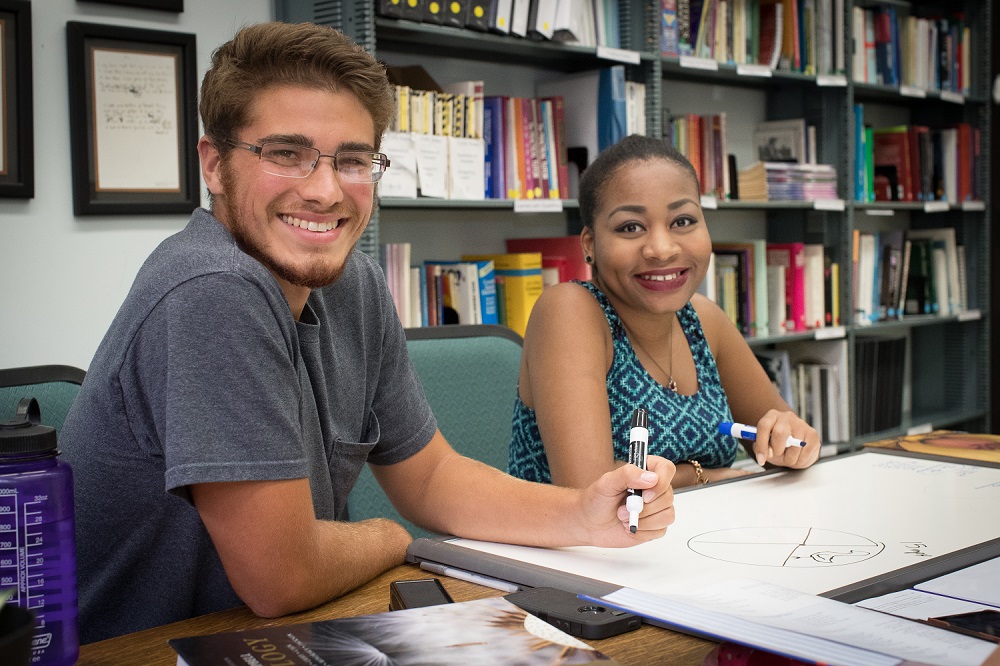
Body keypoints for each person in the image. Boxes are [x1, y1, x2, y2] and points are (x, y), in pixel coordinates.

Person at [59, 23, 677, 644]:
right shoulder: (212, 287)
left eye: (353, 160)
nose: (326, 190)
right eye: (285, 153)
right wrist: (390, 536)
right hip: (144, 650)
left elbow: (432, 478)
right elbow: (283, 577)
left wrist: (583, 514)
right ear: (216, 166)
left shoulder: (352, 284)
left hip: (273, 635)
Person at [508, 134, 821, 488]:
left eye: (683, 221)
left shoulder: (703, 319)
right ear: (590, 244)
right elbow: (589, 486)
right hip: (569, 543)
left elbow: (791, 439)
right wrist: (707, 476)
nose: (661, 249)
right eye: (631, 227)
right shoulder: (568, 311)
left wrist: (796, 444)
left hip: (691, 535)